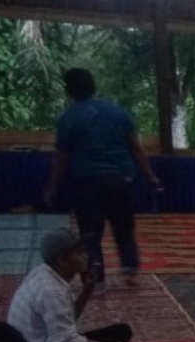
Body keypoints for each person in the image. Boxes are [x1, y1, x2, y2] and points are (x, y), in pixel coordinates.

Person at [43, 68, 161, 284]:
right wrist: (150, 176)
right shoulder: (117, 111)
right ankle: (130, 271)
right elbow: (136, 148)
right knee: (124, 227)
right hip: (121, 180)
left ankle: (96, 279)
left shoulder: (69, 118)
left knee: (90, 234)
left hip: (88, 183)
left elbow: (62, 157)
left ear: (69, 90)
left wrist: (52, 186)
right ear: (93, 86)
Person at [8, 229, 155, 342]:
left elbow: (70, 318)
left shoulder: (46, 273)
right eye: (79, 253)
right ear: (62, 259)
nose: (86, 256)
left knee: (122, 331)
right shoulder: (51, 291)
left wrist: (86, 291)